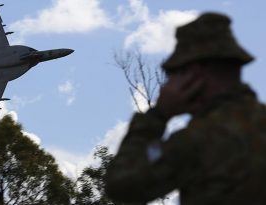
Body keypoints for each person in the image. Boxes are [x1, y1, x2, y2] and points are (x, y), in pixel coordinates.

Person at [104, 12, 266, 205]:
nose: (171, 82)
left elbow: (122, 185)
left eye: (177, 73)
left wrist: (158, 116)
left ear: (194, 74)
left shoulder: (196, 140)